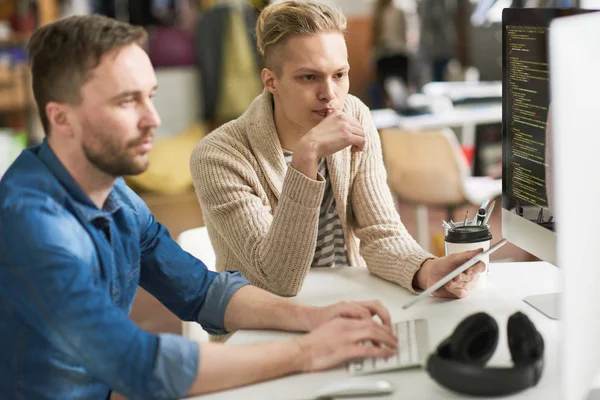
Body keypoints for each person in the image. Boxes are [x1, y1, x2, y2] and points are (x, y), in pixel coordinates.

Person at [0, 14, 403, 400]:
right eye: (127, 102)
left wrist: (316, 318)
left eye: (151, 96)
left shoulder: (117, 197)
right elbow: (141, 366)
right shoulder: (30, 223)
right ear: (61, 118)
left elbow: (204, 292)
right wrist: (309, 351)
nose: (153, 119)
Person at [190, 0, 484, 301]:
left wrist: (427, 270)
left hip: (343, 306)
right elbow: (277, 280)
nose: (329, 95)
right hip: (260, 323)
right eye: (309, 77)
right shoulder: (218, 156)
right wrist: (306, 158)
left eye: (339, 75)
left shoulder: (353, 115)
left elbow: (380, 232)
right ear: (271, 81)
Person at [372, 0, 411, 108]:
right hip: (385, 54)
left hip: (398, 53)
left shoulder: (400, 10)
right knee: (387, 89)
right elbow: (375, 35)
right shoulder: (379, 10)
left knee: (400, 87)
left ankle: (402, 108)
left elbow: (405, 33)